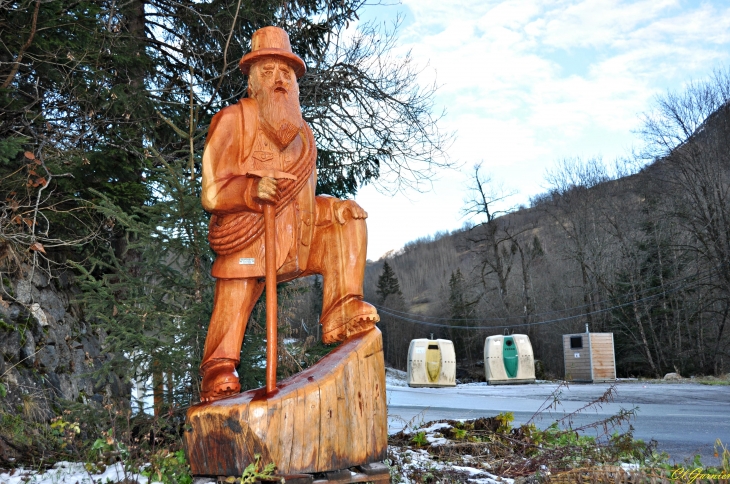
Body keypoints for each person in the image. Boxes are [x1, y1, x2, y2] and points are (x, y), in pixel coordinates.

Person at [199, 26, 379, 402]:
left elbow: (306, 193)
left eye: (286, 74)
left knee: (347, 217)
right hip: (248, 234)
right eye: (268, 72)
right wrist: (250, 190)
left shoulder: (304, 135)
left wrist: (334, 206)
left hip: (299, 236)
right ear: (252, 82)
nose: (279, 80)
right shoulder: (233, 121)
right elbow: (213, 190)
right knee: (235, 292)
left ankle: (341, 309)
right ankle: (219, 365)